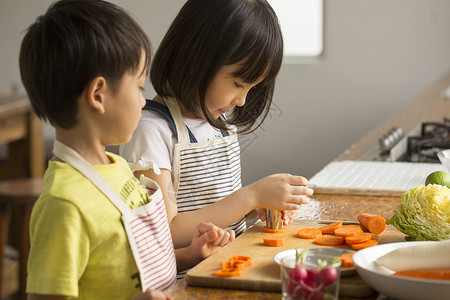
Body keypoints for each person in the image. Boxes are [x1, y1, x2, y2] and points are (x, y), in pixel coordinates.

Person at [19, 1, 233, 299]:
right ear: (98, 95)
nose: (144, 101)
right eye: (139, 87)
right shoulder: (63, 205)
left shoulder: (117, 167)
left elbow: (128, 267)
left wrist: (189, 255)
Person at [120, 0, 313, 254]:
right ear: (195, 60)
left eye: (252, 88)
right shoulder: (151, 131)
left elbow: (218, 210)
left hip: (227, 267)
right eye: (238, 83)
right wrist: (250, 196)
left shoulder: (218, 124)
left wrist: (258, 207)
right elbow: (165, 231)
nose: (242, 101)